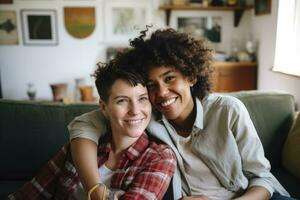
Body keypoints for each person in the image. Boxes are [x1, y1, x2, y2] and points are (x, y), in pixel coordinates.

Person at [68, 28, 292, 200]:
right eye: (151, 85)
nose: (162, 92)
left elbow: (263, 178)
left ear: (191, 76)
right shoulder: (145, 117)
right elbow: (84, 125)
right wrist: (95, 188)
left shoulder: (227, 110)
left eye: (169, 78)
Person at [7, 56, 176, 200]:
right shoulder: (80, 147)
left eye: (142, 99)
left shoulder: (160, 158)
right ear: (103, 107)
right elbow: (28, 194)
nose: (135, 111)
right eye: (122, 100)